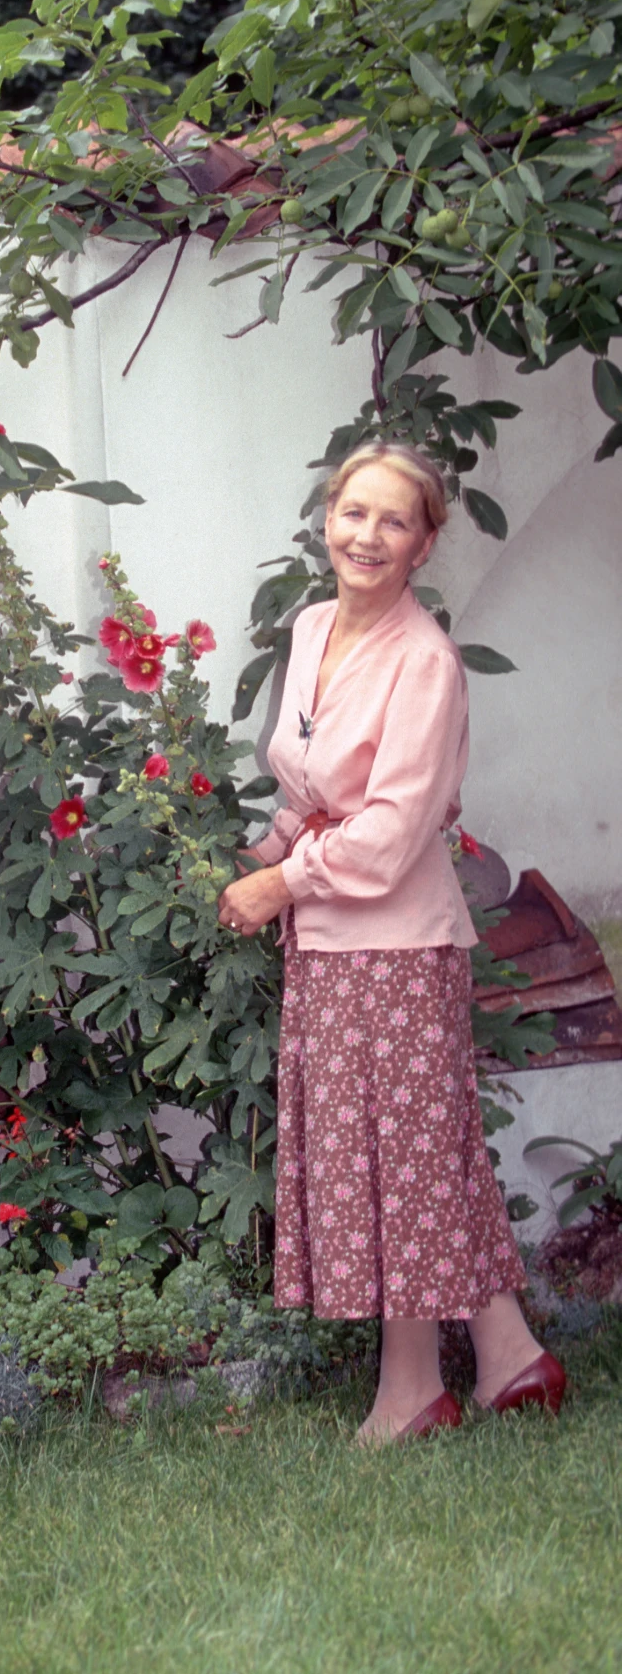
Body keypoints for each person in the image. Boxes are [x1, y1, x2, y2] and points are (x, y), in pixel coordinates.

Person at [216, 442, 566, 1442]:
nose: (363, 535)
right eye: (349, 512)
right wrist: (261, 850)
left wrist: (283, 879)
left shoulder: (424, 661)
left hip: (396, 944)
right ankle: (507, 1356)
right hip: (325, 941)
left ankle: (411, 1386)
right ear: (324, 517)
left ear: (422, 542)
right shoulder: (312, 623)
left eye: (390, 521)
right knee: (420, 1147)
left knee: (396, 1159)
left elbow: (394, 824)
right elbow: (309, 782)